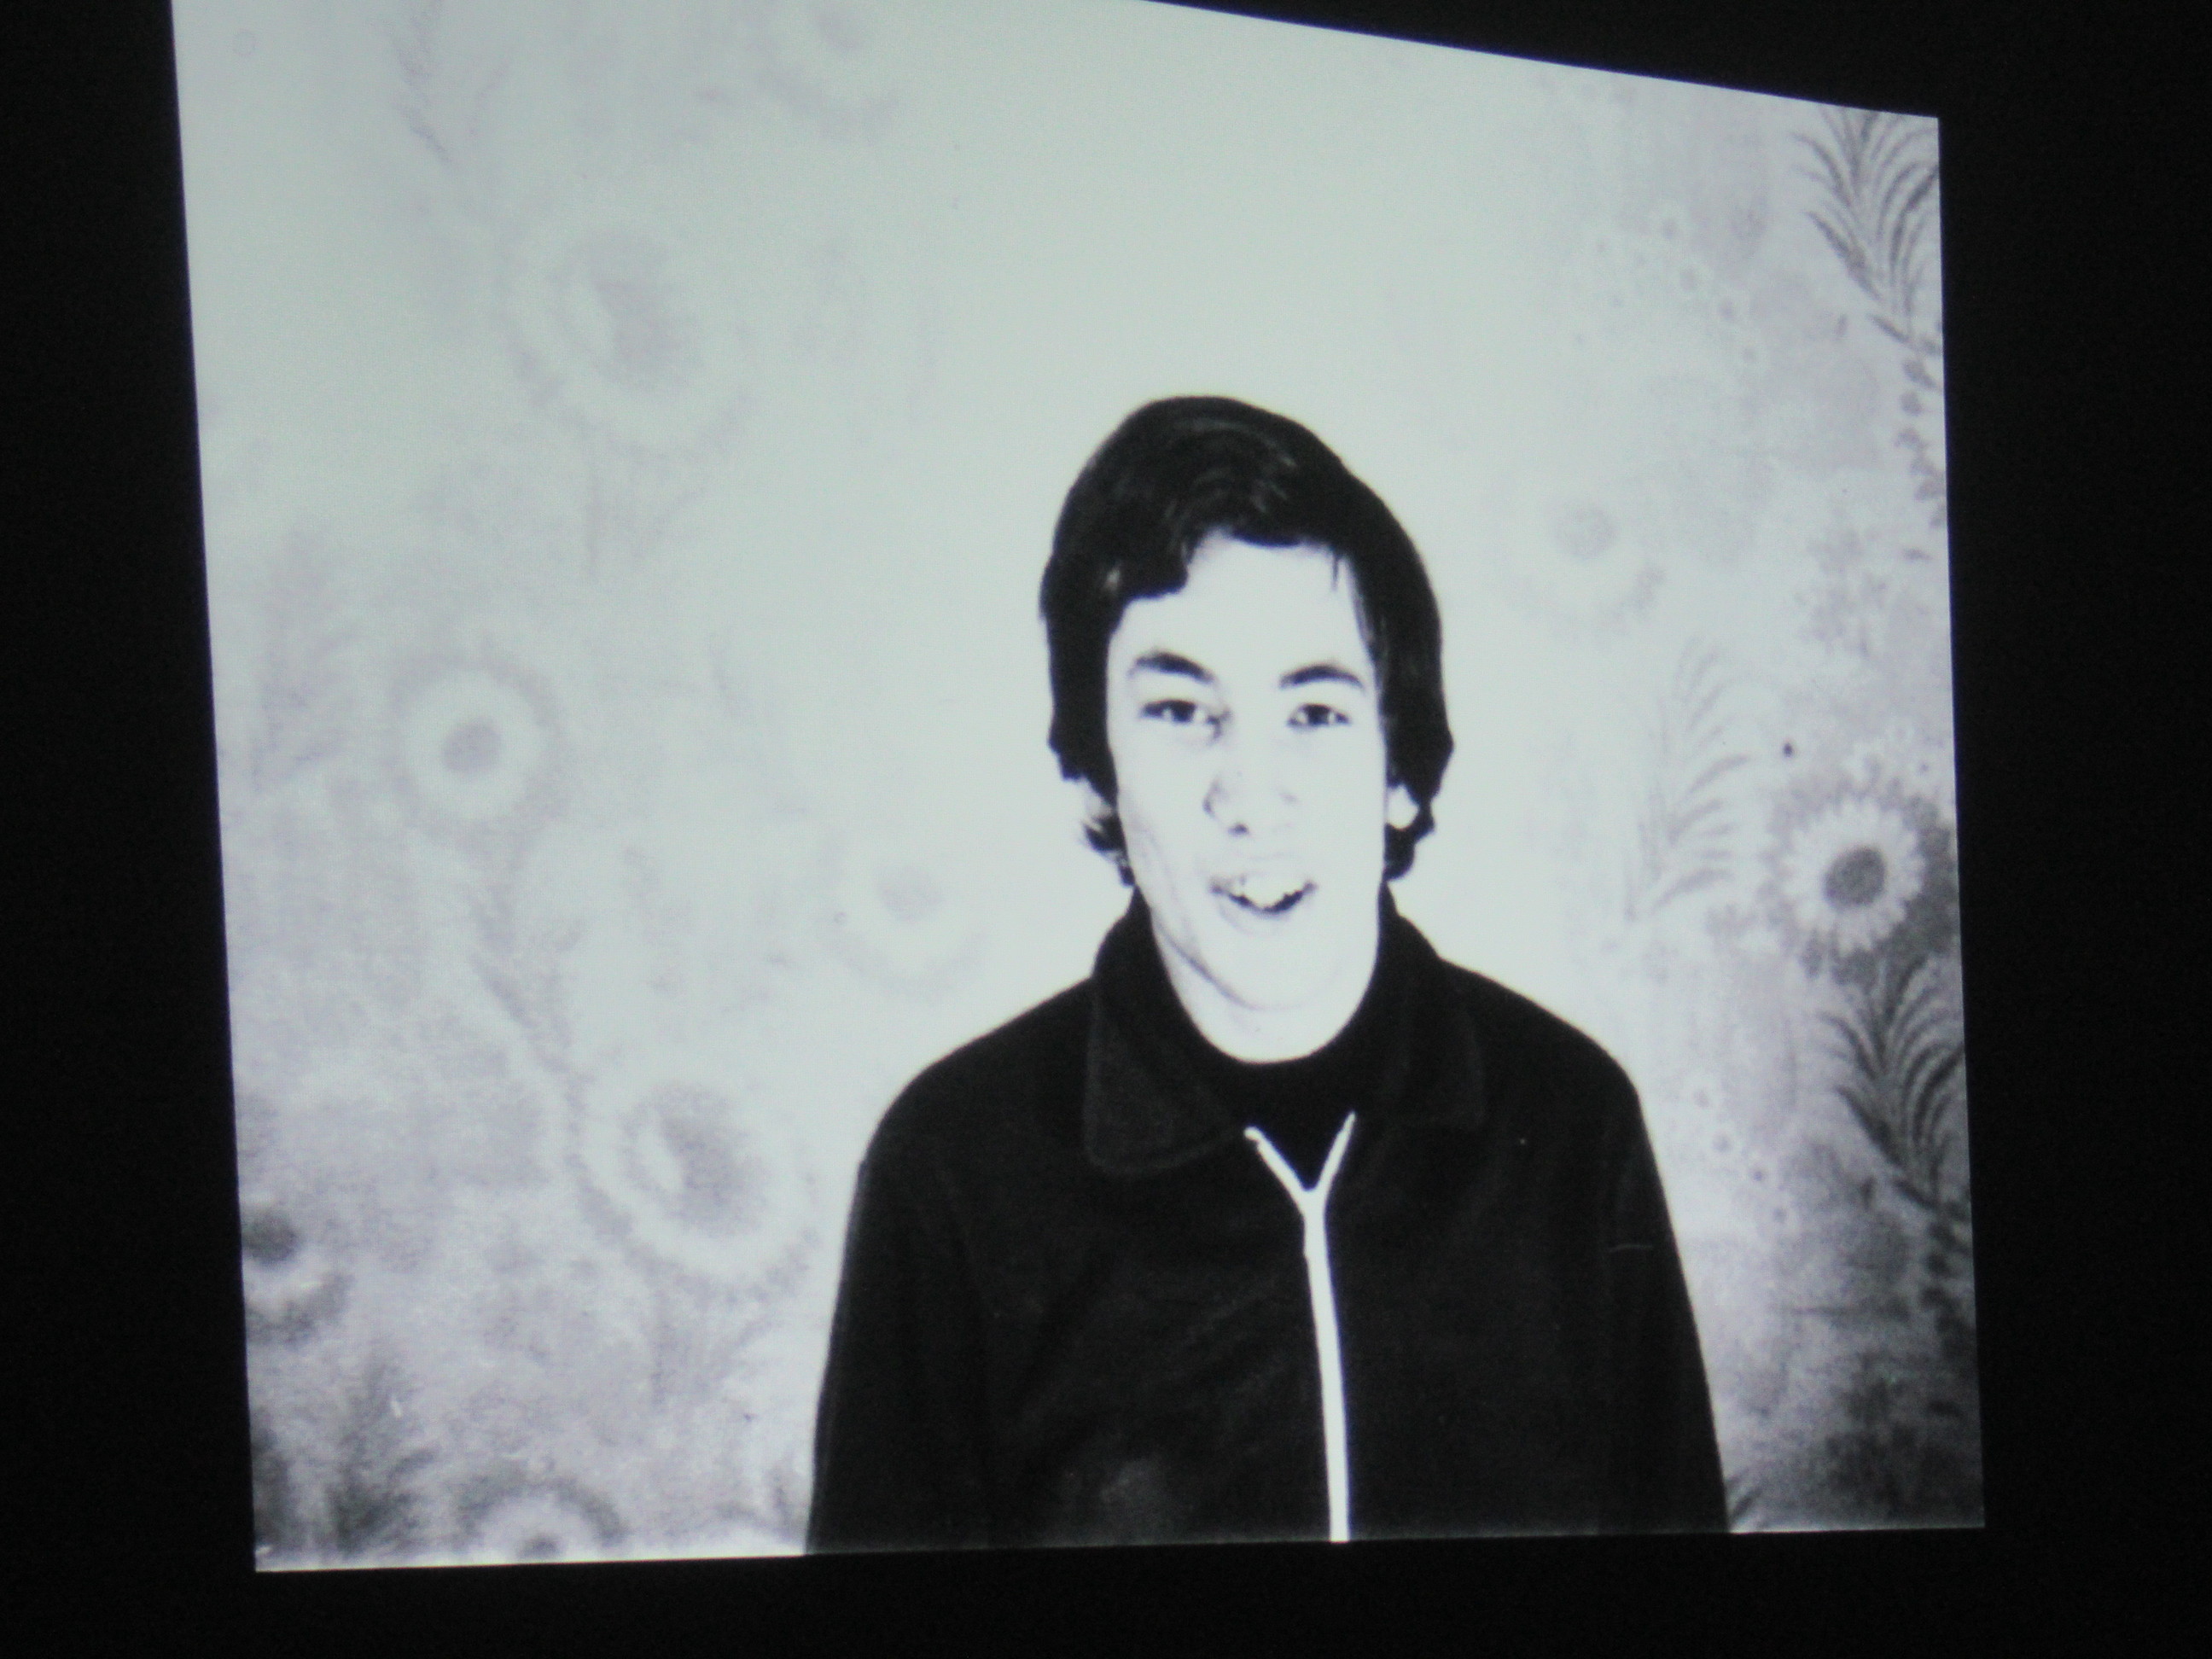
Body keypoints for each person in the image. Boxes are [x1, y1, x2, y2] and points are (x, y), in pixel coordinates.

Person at [806, 397, 1726, 1550]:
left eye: (1315, 712)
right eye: (1181, 709)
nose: (1251, 796)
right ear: (1096, 770)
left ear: (1401, 770)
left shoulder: (1572, 1123)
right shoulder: (949, 1171)